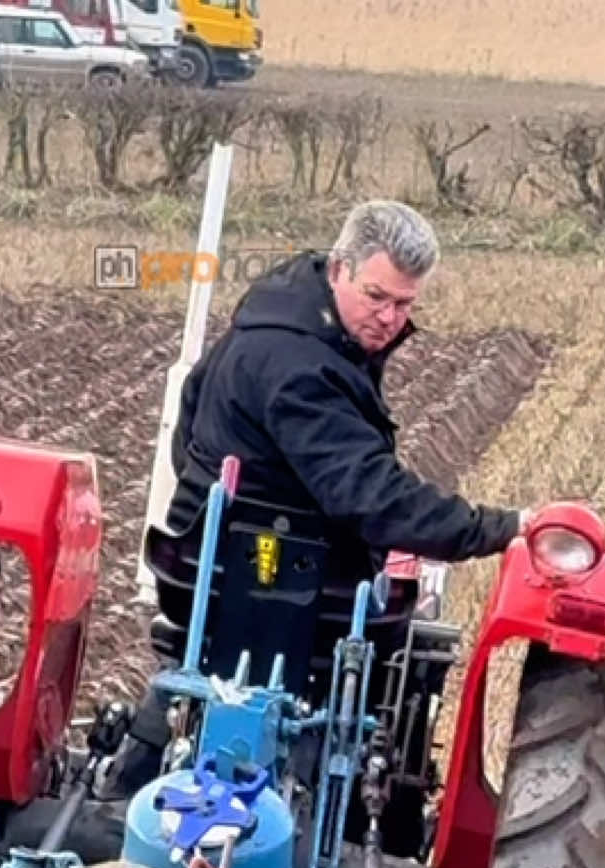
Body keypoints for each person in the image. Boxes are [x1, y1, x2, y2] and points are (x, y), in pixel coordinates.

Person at [112, 198, 529, 792]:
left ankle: (135, 773)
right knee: (396, 650)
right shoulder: (301, 366)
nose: (389, 318)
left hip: (214, 564)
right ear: (338, 270)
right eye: (377, 297)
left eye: (404, 304)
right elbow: (374, 499)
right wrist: (499, 527)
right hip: (283, 582)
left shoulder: (275, 314)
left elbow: (190, 421)